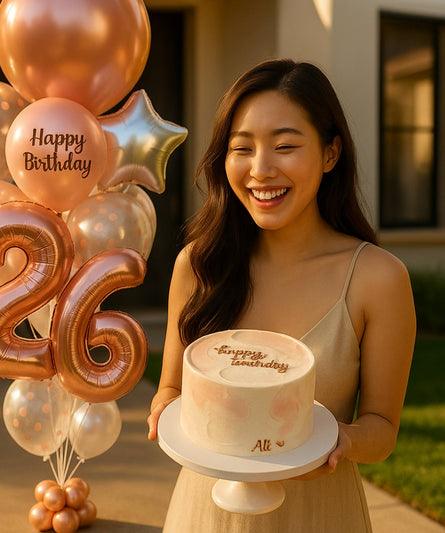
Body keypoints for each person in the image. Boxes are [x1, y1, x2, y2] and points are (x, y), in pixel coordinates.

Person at [147, 58, 416, 532]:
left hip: (320, 515)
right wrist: (164, 411)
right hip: (207, 516)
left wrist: (343, 442)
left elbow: (382, 428)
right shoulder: (199, 265)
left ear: (331, 154)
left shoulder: (378, 279)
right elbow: (170, 388)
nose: (261, 170)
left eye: (286, 146)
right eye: (242, 148)